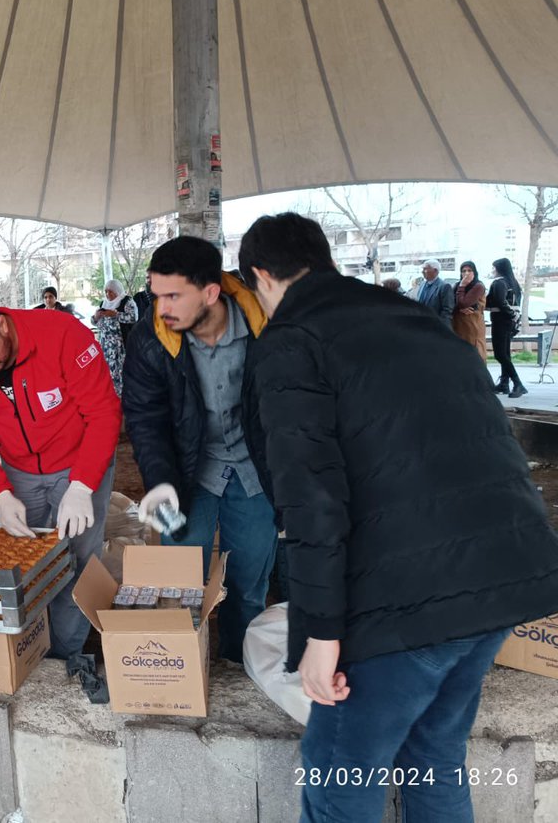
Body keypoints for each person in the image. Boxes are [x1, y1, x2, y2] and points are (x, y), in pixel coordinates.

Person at [238, 212, 558, 823]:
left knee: (340, 783)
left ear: (261, 276)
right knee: (433, 755)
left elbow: (311, 499)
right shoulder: (415, 318)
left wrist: (319, 637)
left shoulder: (293, 337)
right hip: (502, 578)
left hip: (406, 602)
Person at [121, 237, 276, 663]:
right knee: (180, 587)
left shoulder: (268, 329)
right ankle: (185, 671)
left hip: (256, 474)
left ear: (211, 292)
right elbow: (145, 418)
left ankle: (240, 666)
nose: (161, 307)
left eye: (173, 296)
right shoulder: (149, 340)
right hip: (190, 475)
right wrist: (159, 483)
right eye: (156, 295)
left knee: (248, 585)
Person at [0, 292, 121, 661]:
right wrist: (0, 495)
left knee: (77, 556)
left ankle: (64, 655)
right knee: (23, 557)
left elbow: (103, 414)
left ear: (2, 326)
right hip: (19, 469)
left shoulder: (62, 335)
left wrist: (83, 484)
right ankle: (28, 647)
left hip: (79, 461)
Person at [91, 279, 137, 396]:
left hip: (121, 346)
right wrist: (96, 317)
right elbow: (95, 323)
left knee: (121, 372)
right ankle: (113, 398)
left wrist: (116, 315)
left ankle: (126, 398)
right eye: (106, 291)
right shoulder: (103, 303)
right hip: (106, 346)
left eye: (111, 291)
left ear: (118, 291)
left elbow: (133, 318)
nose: (108, 294)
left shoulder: (127, 301)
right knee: (108, 372)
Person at [489, 257, 526, 398]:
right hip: (509, 322)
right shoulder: (513, 283)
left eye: (494, 268)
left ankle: (518, 383)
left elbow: (499, 301)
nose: (492, 270)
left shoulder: (499, 283)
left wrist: (510, 313)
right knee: (505, 353)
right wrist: (514, 316)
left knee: (500, 354)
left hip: (501, 321)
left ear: (499, 269)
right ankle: (504, 382)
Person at [452, 260, 487, 360]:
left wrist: (462, 286)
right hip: (458, 325)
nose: (466, 273)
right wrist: (459, 309)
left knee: (475, 354)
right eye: (463, 271)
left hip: (472, 325)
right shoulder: (456, 286)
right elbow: (452, 303)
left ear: (474, 272)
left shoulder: (478, 286)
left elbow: (464, 303)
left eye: (469, 270)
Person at [414, 258, 454, 327]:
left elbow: (447, 311)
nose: (422, 271)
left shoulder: (444, 287)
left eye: (425, 269)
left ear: (435, 270)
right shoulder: (422, 284)